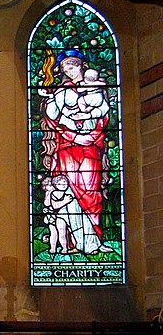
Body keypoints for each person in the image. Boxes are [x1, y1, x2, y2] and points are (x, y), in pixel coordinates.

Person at [38, 48, 112, 254]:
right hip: (68, 147)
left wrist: (88, 134)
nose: (67, 70)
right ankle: (70, 243)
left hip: (90, 146)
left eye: (70, 65)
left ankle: (94, 239)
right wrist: (72, 128)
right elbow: (53, 117)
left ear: (80, 65)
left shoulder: (95, 87)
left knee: (90, 191)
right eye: (63, 67)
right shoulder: (62, 91)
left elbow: (103, 116)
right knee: (69, 190)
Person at [41, 175, 76, 254]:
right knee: (55, 233)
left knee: (68, 232)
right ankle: (54, 248)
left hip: (64, 216)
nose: (63, 185)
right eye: (60, 184)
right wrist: (64, 201)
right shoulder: (51, 194)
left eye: (65, 183)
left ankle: (71, 247)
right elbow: (49, 204)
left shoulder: (67, 192)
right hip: (53, 216)